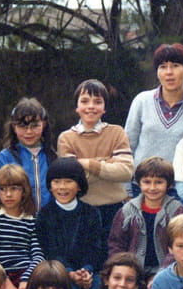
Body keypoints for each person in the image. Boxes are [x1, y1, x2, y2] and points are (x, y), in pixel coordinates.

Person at [57, 79, 134, 239]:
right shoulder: (66, 138)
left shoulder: (117, 133)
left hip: (114, 210)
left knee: (114, 252)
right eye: (85, 101)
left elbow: (126, 172)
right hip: (80, 210)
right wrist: (107, 163)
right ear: (77, 107)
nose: (91, 106)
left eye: (98, 102)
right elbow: (73, 179)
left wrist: (86, 163)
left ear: (104, 108)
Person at [124, 43, 183, 196]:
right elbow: (127, 147)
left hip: (180, 189)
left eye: (175, 66)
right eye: (163, 67)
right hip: (141, 187)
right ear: (157, 72)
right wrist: (126, 189)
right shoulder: (142, 101)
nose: (169, 72)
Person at [36, 157, 105, 289]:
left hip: (88, 271)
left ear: (79, 186)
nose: (62, 187)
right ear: (50, 186)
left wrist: (87, 270)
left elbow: (95, 247)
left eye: (68, 181)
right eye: (56, 182)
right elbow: (50, 250)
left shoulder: (91, 212)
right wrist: (69, 273)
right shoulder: (45, 214)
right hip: (58, 271)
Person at [108, 156, 183, 278]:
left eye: (159, 182)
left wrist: (162, 273)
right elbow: (116, 244)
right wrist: (125, 269)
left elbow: (180, 245)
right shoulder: (127, 210)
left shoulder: (176, 210)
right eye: (147, 182)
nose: (152, 188)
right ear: (139, 183)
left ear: (169, 184)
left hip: (168, 270)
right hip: (132, 271)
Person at [0, 97, 57, 211]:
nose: (29, 132)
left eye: (34, 126)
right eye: (22, 126)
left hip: (49, 219)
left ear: (44, 124)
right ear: (14, 127)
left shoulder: (52, 157)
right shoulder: (4, 158)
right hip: (18, 219)